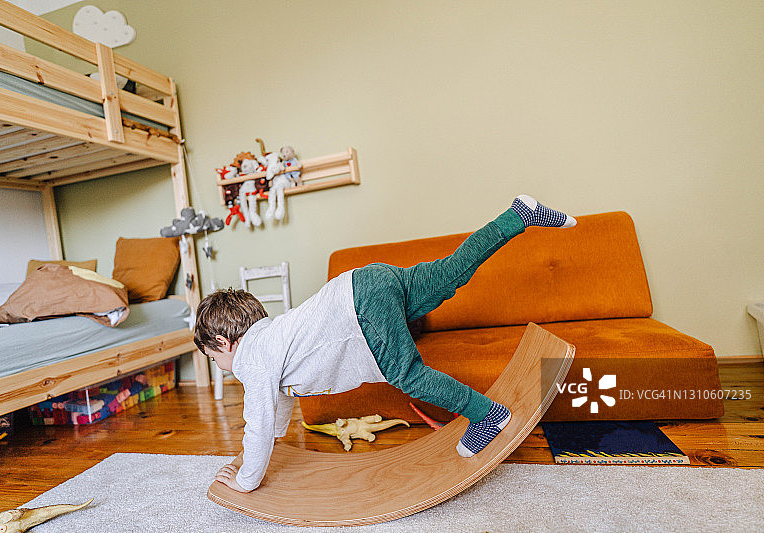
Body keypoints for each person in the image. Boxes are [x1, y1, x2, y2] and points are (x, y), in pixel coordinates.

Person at [194, 195, 576, 493]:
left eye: (213, 358)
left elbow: (257, 421)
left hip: (360, 305)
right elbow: (277, 407)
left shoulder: (251, 357)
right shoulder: (272, 339)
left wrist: (245, 480)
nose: (220, 365)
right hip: (370, 279)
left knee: (408, 375)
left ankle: (488, 415)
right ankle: (519, 215)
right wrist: (276, 441)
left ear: (224, 343)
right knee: (448, 274)